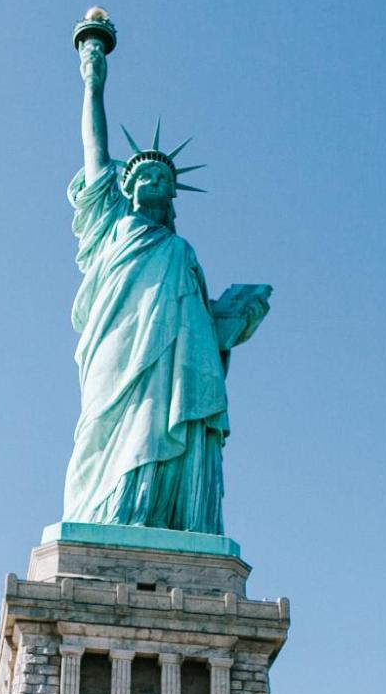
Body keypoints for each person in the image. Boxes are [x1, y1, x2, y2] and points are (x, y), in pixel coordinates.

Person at [63, 28, 272, 534]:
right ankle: (106, 514)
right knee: (105, 424)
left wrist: (234, 318)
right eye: (142, 178)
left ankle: (166, 518)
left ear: (172, 196)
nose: (153, 182)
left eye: (163, 179)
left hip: (178, 357)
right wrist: (94, 82)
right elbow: (96, 150)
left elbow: (204, 323)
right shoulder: (110, 226)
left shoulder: (182, 252)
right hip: (118, 342)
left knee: (167, 417)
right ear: (127, 190)